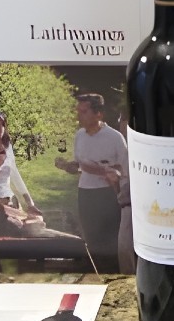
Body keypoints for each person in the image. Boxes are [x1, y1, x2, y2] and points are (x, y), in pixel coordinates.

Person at [53, 93, 126, 266]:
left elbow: (126, 168)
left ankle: (113, 273)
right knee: (91, 239)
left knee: (110, 240)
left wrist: (112, 174)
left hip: (108, 194)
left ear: (98, 114)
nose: (79, 116)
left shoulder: (114, 138)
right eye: (78, 111)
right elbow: (79, 165)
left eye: (84, 112)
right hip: (86, 194)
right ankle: (97, 273)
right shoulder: (80, 135)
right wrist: (67, 166)